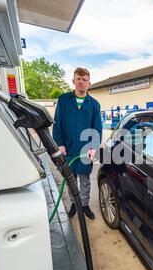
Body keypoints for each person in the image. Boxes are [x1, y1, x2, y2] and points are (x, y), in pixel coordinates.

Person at [52, 67, 102, 220]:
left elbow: (97, 127)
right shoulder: (63, 100)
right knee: (70, 180)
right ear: (73, 81)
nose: (81, 82)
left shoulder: (94, 104)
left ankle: (85, 205)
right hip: (68, 149)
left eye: (84, 79)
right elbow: (57, 123)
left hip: (85, 150)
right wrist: (59, 144)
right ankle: (74, 203)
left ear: (89, 83)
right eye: (78, 79)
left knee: (85, 180)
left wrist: (93, 147)